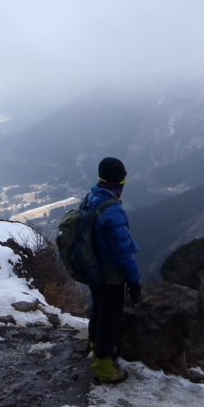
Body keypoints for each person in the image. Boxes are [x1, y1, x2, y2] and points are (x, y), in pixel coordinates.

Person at [86, 157, 141, 383]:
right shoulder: (113, 211)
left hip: (93, 270)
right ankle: (103, 367)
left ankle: (96, 346)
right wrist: (134, 281)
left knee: (98, 311)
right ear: (118, 181)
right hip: (110, 275)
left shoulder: (92, 197)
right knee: (109, 318)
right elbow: (122, 252)